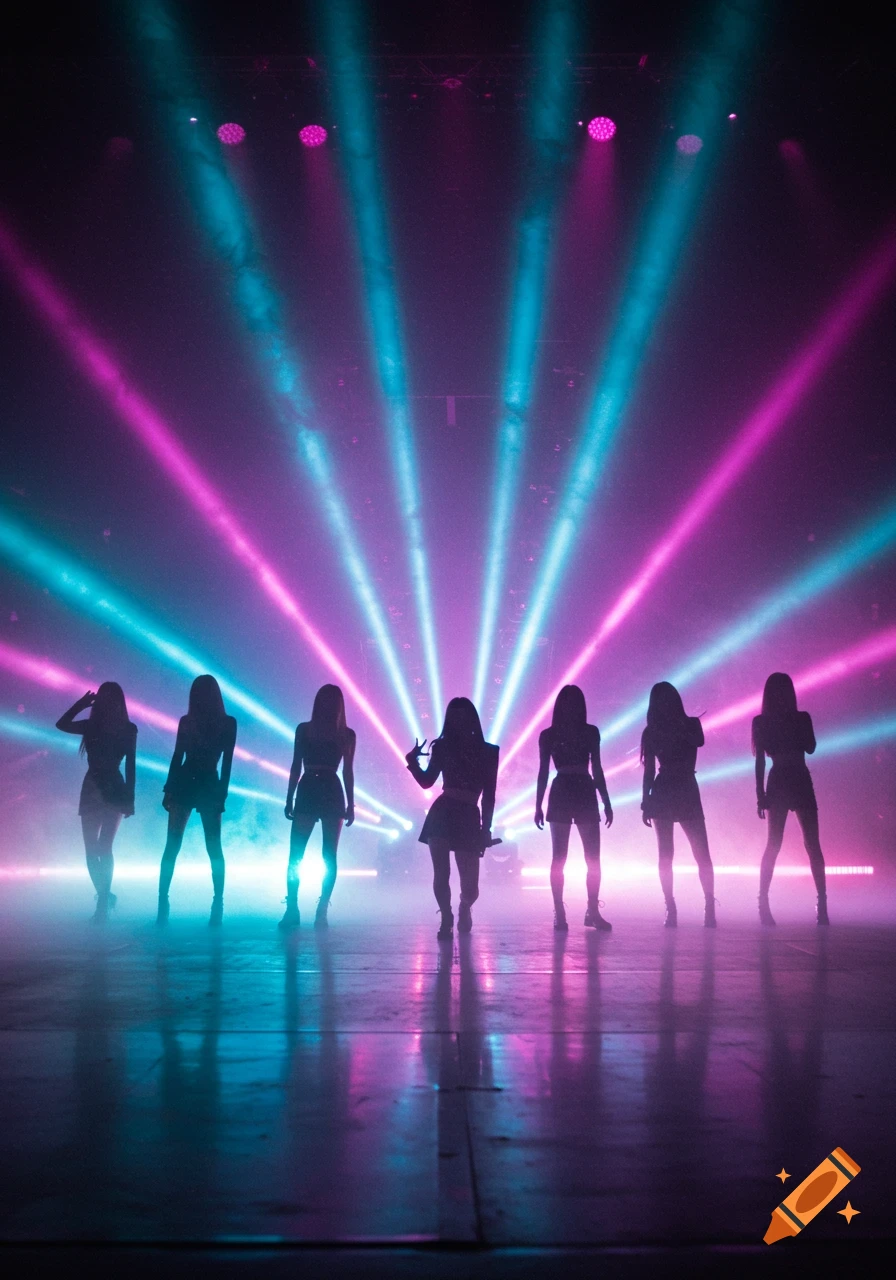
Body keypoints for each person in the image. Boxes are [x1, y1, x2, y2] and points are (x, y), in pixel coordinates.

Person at [406, 697, 498, 939]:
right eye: (454, 717)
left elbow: (489, 795)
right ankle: (446, 917)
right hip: (443, 813)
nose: (458, 722)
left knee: (471, 888)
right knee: (441, 873)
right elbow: (428, 782)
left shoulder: (489, 752)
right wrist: (412, 763)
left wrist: (485, 829)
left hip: (468, 814)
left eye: (462, 716)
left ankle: (464, 906)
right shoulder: (443, 747)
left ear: (471, 719)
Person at [157, 675, 236, 926]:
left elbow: (178, 756)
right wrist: (221, 792)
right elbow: (226, 763)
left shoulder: (190, 721)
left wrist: (169, 789)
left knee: (174, 845)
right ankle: (217, 903)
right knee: (212, 847)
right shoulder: (226, 723)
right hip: (205, 784)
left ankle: (163, 903)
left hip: (189, 782)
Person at [534, 685, 613, 931]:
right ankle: (561, 911)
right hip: (571, 790)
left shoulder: (581, 733)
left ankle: (587, 910)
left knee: (589, 858)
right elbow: (543, 772)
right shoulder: (554, 735)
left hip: (577, 790)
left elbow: (597, 768)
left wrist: (606, 799)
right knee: (563, 857)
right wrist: (537, 804)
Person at [56, 683, 136, 922]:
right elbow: (61, 725)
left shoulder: (119, 728)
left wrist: (82, 704)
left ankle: (102, 901)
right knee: (97, 849)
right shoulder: (120, 727)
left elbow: (131, 765)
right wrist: (129, 798)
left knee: (98, 849)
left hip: (104, 786)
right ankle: (103, 898)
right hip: (104, 786)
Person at [753, 672, 828, 926]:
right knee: (805, 844)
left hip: (787, 778)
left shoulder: (764, 721)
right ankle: (820, 904)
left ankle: (765, 902)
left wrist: (760, 794)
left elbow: (762, 760)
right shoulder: (793, 719)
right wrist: (760, 794)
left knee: (785, 843)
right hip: (794, 777)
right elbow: (810, 747)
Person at [641, 681, 716, 928]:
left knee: (685, 852)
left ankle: (691, 906)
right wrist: (645, 800)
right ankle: (684, 906)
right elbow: (650, 769)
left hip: (674, 787)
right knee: (688, 852)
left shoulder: (672, 728)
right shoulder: (681, 726)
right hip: (679, 787)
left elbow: (651, 770)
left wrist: (646, 800)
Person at [280, 684, 355, 930]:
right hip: (323, 788)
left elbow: (347, 772)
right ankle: (309, 909)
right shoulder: (341, 733)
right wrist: (290, 796)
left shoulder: (311, 730)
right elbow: (347, 772)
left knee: (304, 855)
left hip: (315, 787)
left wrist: (290, 797)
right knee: (320, 855)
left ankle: (302, 909)